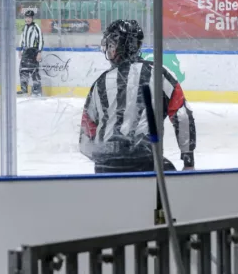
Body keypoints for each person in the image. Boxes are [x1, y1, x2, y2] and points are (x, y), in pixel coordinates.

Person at [79, 19, 196, 173]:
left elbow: (86, 136)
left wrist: (103, 158)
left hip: (106, 164)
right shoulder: (159, 74)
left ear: (118, 47)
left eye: (111, 45)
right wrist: (188, 160)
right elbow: (182, 116)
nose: (108, 49)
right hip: (146, 160)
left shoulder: (100, 83)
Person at [19, 9, 43, 96]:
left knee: (34, 71)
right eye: (26, 17)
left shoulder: (36, 27)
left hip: (33, 51)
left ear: (32, 18)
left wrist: (39, 52)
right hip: (26, 51)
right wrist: (20, 50)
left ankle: (37, 91)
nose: (27, 19)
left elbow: (40, 40)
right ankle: (24, 90)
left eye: (29, 17)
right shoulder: (25, 27)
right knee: (23, 71)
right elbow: (22, 39)